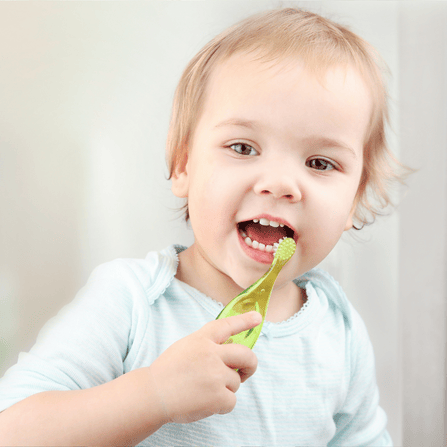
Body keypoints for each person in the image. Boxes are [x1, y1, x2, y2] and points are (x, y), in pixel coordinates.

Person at [0, 7, 409, 446]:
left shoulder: (340, 331)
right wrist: (152, 394)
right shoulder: (132, 302)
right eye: (243, 147)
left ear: (355, 200)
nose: (280, 183)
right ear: (183, 165)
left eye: (320, 162)